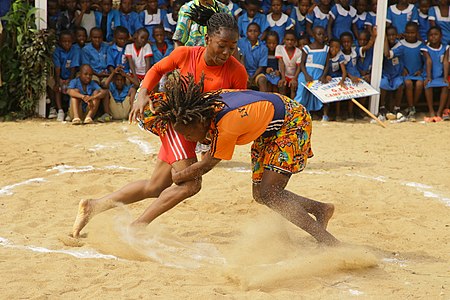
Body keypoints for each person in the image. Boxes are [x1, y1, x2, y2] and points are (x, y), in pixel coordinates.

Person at [71, 11, 247, 238]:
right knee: (191, 184)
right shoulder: (186, 54)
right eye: (222, 45)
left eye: (232, 47)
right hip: (175, 124)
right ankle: (137, 228)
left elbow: (232, 111)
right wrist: (143, 93)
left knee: (155, 187)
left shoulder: (237, 71)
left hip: (198, 132)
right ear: (207, 40)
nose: (226, 52)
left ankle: (93, 206)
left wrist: (213, 140)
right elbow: (156, 70)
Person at [138, 75, 339, 246]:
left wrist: (179, 175)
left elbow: (207, 164)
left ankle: (328, 241)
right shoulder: (200, 106)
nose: (190, 141)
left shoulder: (227, 125)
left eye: (190, 135)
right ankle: (321, 209)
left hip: (292, 122)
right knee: (261, 195)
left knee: (270, 194)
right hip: (269, 125)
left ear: (200, 122)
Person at [294, 26, 330, 114]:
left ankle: (323, 115)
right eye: (319, 34)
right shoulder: (307, 48)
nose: (321, 36)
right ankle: (296, 113)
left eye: (323, 34)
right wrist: (306, 75)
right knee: (301, 94)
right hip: (307, 74)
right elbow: (302, 63)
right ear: (313, 35)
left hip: (319, 74)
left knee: (322, 94)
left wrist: (323, 76)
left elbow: (327, 64)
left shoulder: (326, 49)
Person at [52, 30, 81, 122]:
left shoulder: (75, 50)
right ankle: (60, 110)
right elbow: (57, 68)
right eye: (64, 41)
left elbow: (73, 67)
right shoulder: (57, 51)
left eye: (69, 41)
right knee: (57, 88)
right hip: (59, 75)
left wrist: (70, 80)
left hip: (71, 75)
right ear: (60, 42)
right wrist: (58, 81)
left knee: (72, 87)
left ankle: (69, 111)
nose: (67, 44)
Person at [422, 26, 448, 122]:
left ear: (441, 36)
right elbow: (428, 61)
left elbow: (445, 62)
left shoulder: (445, 47)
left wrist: (445, 77)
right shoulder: (425, 48)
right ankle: (431, 111)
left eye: (436, 34)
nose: (433, 37)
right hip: (429, 75)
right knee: (428, 85)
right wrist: (429, 77)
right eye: (431, 35)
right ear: (428, 37)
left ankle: (439, 112)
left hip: (440, 75)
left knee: (445, 86)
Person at [401, 22, 424, 121]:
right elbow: (398, 59)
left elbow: (425, 61)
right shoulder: (401, 43)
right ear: (405, 33)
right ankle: (411, 108)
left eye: (413, 33)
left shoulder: (421, 45)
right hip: (405, 73)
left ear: (417, 33)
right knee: (408, 83)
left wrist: (421, 70)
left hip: (417, 73)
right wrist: (402, 68)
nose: (410, 35)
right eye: (408, 33)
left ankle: (412, 107)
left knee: (419, 84)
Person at [238, 22, 268, 89]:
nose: (252, 33)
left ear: (259, 33)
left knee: (262, 80)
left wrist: (253, 77)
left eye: (255, 31)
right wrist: (246, 75)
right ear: (246, 33)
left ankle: (264, 99)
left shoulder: (263, 48)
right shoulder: (241, 43)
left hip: (257, 73)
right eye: (250, 31)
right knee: (242, 80)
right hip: (243, 71)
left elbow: (261, 67)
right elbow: (241, 60)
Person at [324, 38, 347, 121]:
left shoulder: (339, 57)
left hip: (337, 78)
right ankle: (325, 114)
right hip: (328, 78)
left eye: (337, 47)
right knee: (326, 95)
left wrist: (342, 80)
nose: (334, 49)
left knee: (338, 95)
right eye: (332, 47)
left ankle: (338, 114)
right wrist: (326, 76)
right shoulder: (325, 56)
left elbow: (344, 72)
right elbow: (323, 68)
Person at [276, 30, 301, 99]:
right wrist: (283, 78)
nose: (289, 42)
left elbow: (299, 67)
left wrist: (294, 79)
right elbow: (281, 63)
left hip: (293, 75)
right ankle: (283, 105)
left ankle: (292, 106)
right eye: (287, 40)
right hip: (283, 74)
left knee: (293, 87)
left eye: (292, 40)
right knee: (282, 86)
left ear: (295, 41)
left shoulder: (299, 52)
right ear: (284, 40)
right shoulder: (279, 48)